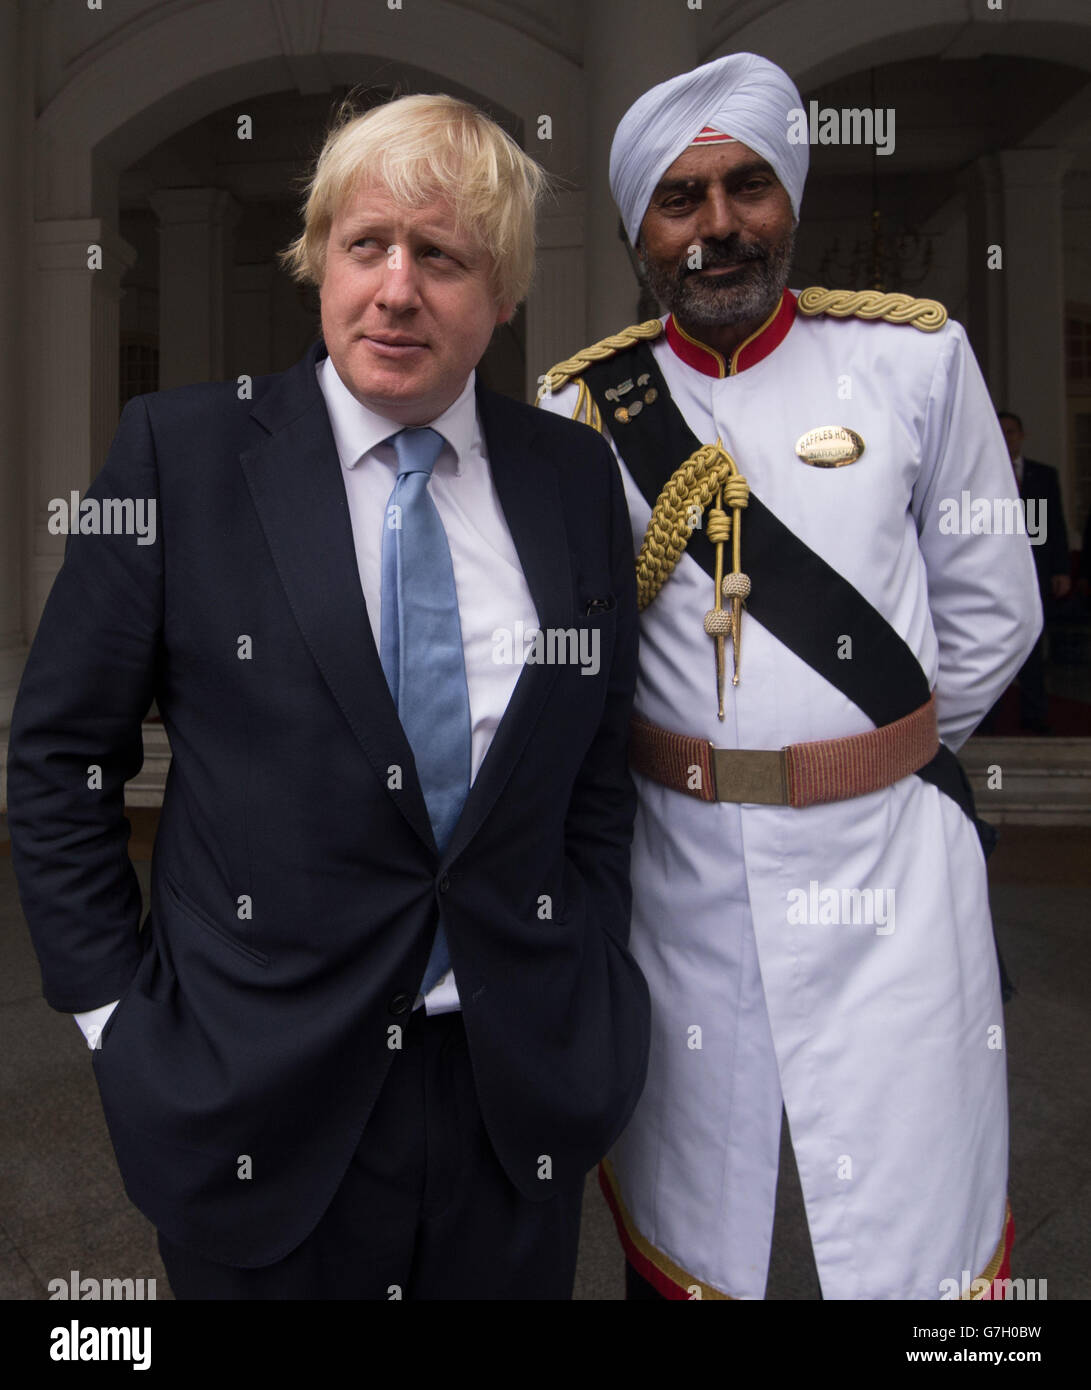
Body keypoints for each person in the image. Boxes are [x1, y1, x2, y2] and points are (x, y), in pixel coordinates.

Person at [7, 92, 650, 1300]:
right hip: (253, 1096)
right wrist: (114, 1022)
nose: (397, 289)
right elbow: (59, 759)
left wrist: (590, 971)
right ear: (320, 262)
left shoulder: (573, 478)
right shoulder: (175, 454)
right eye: (366, 246)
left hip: (512, 1100)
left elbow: (595, 768)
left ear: (502, 294)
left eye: (442, 256)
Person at [538, 53, 1041, 1300]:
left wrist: (855, 758)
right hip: (676, 868)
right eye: (681, 198)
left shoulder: (915, 364)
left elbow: (991, 610)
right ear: (637, 230)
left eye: (746, 186)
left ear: (789, 201)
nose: (717, 223)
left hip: (887, 870)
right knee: (686, 1210)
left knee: (920, 1225)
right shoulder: (578, 408)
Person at [996, 410, 1072, 732]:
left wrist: (1061, 570)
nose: (1007, 437)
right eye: (1001, 431)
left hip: (1034, 570)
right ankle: (989, 718)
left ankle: (1034, 715)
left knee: (1032, 644)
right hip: (995, 573)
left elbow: (1054, 524)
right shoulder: (979, 474)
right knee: (994, 645)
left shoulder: (1043, 474)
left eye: (1012, 431)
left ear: (1022, 436)